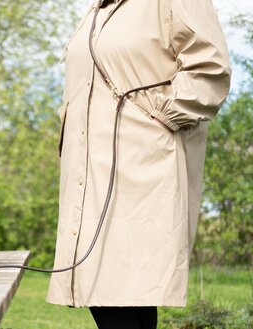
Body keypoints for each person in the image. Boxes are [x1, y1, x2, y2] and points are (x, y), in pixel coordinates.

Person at [46, 0, 231, 328]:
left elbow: (209, 69)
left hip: (144, 167)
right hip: (89, 172)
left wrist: (159, 117)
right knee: (102, 289)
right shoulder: (97, 10)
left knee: (128, 290)